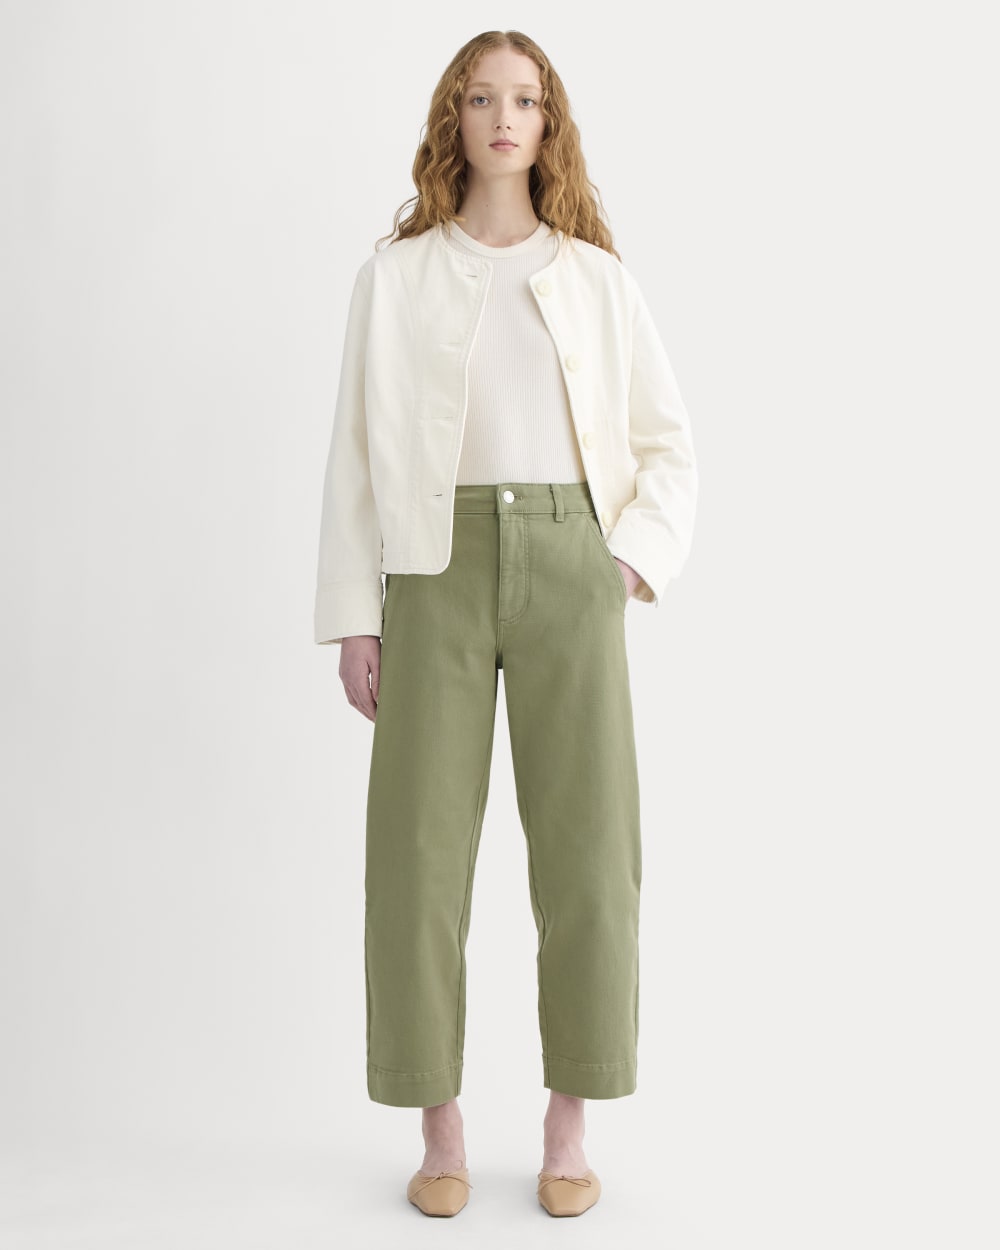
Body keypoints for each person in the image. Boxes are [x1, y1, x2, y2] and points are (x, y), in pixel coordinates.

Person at [313, 29, 698, 1218]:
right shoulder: (394, 276)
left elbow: (667, 447)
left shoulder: (596, 277)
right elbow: (355, 458)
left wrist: (620, 566)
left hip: (572, 560)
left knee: (589, 849)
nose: (501, 117)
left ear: (546, 123)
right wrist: (354, 616)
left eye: (523, 99)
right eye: (480, 97)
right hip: (431, 570)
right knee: (415, 856)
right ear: (455, 117)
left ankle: (567, 1122)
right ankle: (438, 1125)